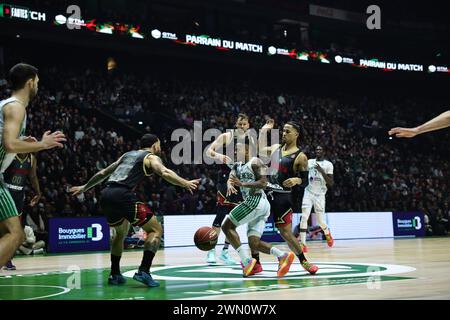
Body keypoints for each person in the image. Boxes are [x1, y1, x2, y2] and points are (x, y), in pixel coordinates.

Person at [70, 134, 199, 287]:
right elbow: (164, 172)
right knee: (156, 230)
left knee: (120, 233)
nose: (160, 148)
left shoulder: (127, 155)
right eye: (159, 145)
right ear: (154, 145)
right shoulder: (150, 157)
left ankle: (115, 274)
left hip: (106, 194)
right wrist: (185, 183)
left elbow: (103, 173)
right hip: (123, 195)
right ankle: (144, 271)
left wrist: (85, 187)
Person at [0, 63, 66, 268]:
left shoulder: (9, 105)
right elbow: (9, 144)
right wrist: (43, 144)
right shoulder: (16, 107)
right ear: (30, 83)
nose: (38, 85)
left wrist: (27, 140)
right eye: (37, 82)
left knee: (16, 235)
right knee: (14, 234)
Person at [222, 141, 295, 277]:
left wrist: (242, 183)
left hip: (255, 201)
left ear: (248, 150)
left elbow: (263, 183)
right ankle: (282, 255)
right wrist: (229, 184)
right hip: (261, 206)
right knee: (253, 243)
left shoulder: (256, 162)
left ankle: (246, 261)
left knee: (226, 226)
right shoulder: (238, 165)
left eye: (238, 150)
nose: (236, 153)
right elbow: (231, 176)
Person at [258, 120, 319, 275]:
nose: (283, 134)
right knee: (254, 230)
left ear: (296, 134)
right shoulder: (274, 148)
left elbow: (305, 182)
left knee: (286, 233)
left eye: (287, 131)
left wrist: (297, 180)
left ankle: (304, 262)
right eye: (283, 131)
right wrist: (264, 131)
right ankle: (256, 262)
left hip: (283, 198)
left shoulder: (301, 157)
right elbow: (258, 149)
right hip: (265, 195)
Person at [204, 113, 252, 265]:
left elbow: (250, 159)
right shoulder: (227, 136)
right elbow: (208, 151)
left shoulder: (249, 140)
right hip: (225, 178)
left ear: (248, 126)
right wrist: (219, 156)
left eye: (244, 124)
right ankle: (211, 251)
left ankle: (225, 252)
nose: (242, 127)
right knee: (221, 214)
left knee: (234, 218)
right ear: (235, 125)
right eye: (239, 124)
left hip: (240, 179)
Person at [2, 152, 41, 270]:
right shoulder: (9, 155)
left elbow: (33, 176)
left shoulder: (32, 158)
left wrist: (38, 192)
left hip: (18, 199)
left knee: (14, 232)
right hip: (4, 195)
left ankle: (7, 259)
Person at [299, 146, 334, 252]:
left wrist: (321, 170)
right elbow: (302, 172)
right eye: (317, 149)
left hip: (320, 194)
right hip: (308, 192)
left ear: (324, 152)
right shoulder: (309, 162)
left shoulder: (328, 164)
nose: (318, 151)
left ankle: (327, 233)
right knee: (304, 217)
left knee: (321, 221)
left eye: (320, 149)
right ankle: (303, 244)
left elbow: (331, 183)